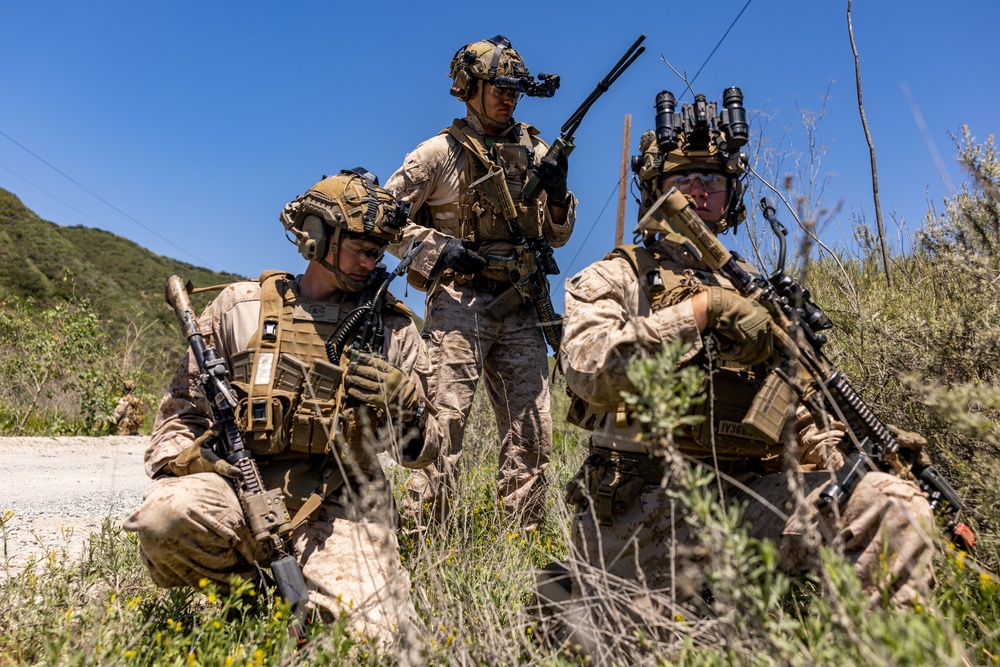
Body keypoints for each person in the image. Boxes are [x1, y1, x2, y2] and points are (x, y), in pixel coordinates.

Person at [545, 88, 936, 659]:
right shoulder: (618, 277)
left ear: (732, 196)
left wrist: (857, 456)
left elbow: (798, 413)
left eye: (714, 180)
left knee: (892, 504)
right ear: (656, 192)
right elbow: (586, 369)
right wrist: (701, 314)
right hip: (646, 508)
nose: (700, 190)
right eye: (684, 180)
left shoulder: (757, 296)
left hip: (748, 499)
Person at [124, 170, 443, 651]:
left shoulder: (394, 331)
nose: (371, 262)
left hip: (343, 505)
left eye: (378, 252)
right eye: (361, 248)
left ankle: (310, 600)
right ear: (317, 239)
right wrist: (205, 462)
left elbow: (426, 451)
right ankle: (252, 598)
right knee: (164, 518)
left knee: (372, 644)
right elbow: (180, 416)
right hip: (241, 492)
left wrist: (408, 406)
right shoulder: (240, 308)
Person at [384, 35, 577, 530]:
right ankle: (425, 538)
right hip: (458, 303)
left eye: (515, 88)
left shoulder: (535, 151)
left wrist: (557, 191)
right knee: (441, 424)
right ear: (470, 87)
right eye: (499, 87)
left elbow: (557, 234)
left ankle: (522, 541)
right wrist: (439, 248)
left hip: (520, 306)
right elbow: (380, 219)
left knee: (531, 431)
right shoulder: (436, 154)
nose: (509, 97)